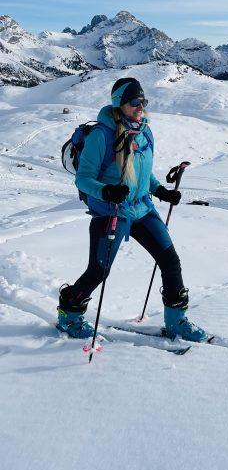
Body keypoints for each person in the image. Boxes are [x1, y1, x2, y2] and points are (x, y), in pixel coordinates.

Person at [57, 76, 208, 342]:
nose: (141, 107)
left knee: (170, 262)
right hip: (111, 211)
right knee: (98, 271)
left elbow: (143, 173)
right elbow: (83, 178)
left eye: (143, 101)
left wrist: (160, 191)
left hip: (142, 209)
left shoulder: (144, 131)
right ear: (119, 104)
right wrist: (106, 191)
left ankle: (176, 321)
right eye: (134, 102)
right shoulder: (101, 136)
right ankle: (69, 314)